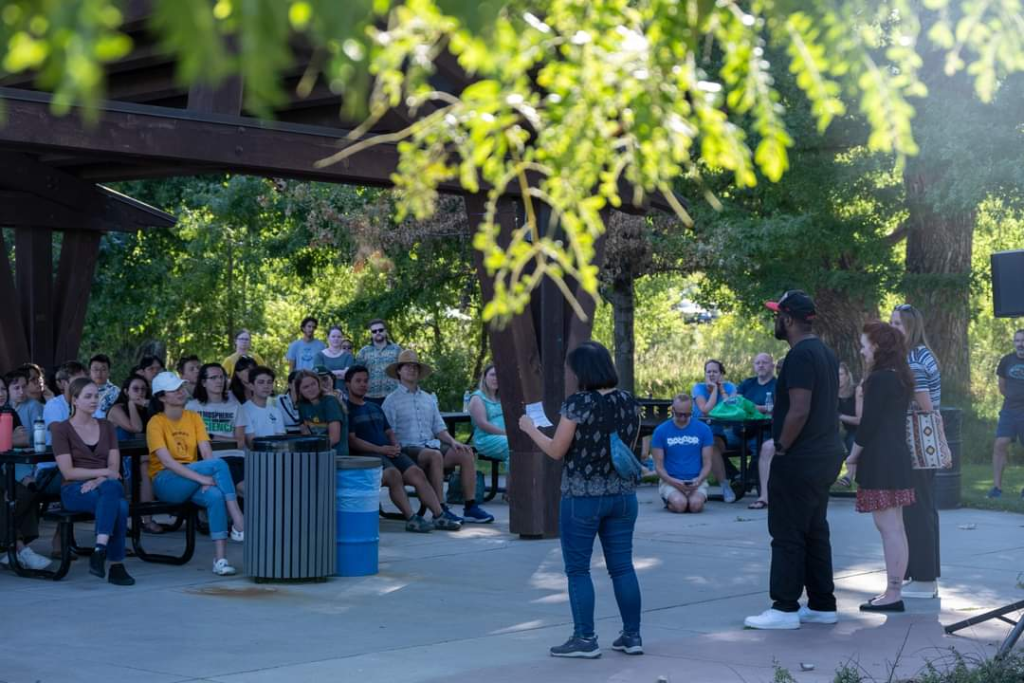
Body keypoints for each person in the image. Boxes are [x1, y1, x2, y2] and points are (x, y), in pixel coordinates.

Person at [518, 341, 643, 658]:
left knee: (578, 570)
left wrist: (530, 429)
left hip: (582, 498)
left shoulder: (577, 404)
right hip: (623, 497)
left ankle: (585, 639)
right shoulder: (629, 402)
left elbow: (557, 451)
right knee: (622, 568)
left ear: (582, 371)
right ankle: (632, 636)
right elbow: (628, 447)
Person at [745, 290, 845, 630]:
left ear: (787, 319)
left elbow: (799, 408)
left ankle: (784, 607)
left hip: (802, 455)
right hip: (826, 452)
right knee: (815, 529)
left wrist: (782, 445)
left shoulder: (799, 356)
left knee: (787, 530)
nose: (775, 320)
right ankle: (821, 604)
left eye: (777, 314)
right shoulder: (825, 353)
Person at [845, 322, 916, 612]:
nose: (862, 350)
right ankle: (894, 590)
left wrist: (851, 457)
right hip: (897, 456)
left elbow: (868, 425)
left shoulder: (879, 379)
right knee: (895, 527)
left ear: (876, 346)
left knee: (888, 527)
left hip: (880, 459)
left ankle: (892, 593)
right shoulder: (899, 376)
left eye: (864, 344)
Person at [146, 371, 244, 576]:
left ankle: (220, 559)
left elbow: (206, 451)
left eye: (181, 388)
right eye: (175, 390)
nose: (181, 392)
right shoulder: (156, 422)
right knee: (218, 465)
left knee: (215, 495)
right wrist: (202, 478)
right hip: (166, 480)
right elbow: (167, 462)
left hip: (191, 475)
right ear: (162, 397)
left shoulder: (193, 417)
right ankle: (238, 519)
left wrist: (209, 481)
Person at [382, 350, 494, 524]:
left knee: (466, 452)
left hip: (431, 445)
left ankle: (470, 506)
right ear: (399, 371)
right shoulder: (391, 400)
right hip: (407, 449)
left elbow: (439, 428)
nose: (412, 370)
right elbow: (388, 432)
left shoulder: (428, 399)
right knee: (434, 455)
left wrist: (453, 442)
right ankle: (440, 509)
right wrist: (395, 450)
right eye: (407, 367)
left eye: (415, 367)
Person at [345, 365, 461, 533]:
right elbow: (353, 441)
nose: (363, 384)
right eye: (358, 381)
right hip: (368, 455)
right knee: (393, 475)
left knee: (416, 473)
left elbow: (389, 431)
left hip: (389, 451)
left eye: (365, 381)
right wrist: (382, 449)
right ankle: (411, 518)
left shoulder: (374, 407)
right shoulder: (346, 409)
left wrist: (394, 444)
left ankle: (439, 515)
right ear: (348, 384)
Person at [51, 378, 135, 585]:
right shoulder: (61, 430)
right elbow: (68, 472)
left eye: (96, 396)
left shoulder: (107, 426)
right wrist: (102, 474)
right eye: (87, 396)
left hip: (104, 485)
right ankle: (115, 565)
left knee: (118, 500)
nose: (94, 400)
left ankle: (100, 550)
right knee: (117, 499)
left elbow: (115, 468)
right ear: (75, 401)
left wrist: (100, 479)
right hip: (74, 489)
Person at [890, 304, 944, 599]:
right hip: (916, 444)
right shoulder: (913, 355)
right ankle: (917, 575)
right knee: (915, 508)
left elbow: (926, 406)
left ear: (911, 326)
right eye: (891, 322)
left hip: (920, 443)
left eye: (898, 323)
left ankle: (925, 579)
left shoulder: (915, 361)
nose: (893, 327)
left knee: (920, 509)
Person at [0, 377, 50, 570]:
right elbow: (14, 441)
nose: (1, 393)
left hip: (9, 468)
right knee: (7, 496)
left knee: (28, 491)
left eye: (3, 388)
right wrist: (9, 440)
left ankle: (11, 547)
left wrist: (7, 441)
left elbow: (23, 440)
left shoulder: (9, 411)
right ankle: (21, 549)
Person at [106, 373, 163, 534]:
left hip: (140, 456)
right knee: (144, 467)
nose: (140, 393)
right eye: (135, 389)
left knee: (147, 466)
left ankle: (146, 518)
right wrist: (132, 405)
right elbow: (136, 428)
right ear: (126, 391)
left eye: (144, 390)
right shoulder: (117, 409)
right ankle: (132, 519)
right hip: (116, 457)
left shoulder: (148, 410)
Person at [186, 363, 248, 496]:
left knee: (248, 488)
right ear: (203, 382)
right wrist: (226, 440)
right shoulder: (192, 408)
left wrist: (212, 437)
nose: (219, 381)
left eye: (222, 377)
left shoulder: (235, 407)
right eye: (213, 378)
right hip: (208, 460)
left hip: (236, 458)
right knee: (244, 489)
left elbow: (241, 443)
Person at [652, 394, 713, 514]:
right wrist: (673, 481)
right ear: (672, 410)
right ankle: (671, 499)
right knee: (680, 505)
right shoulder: (660, 431)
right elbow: (659, 466)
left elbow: (707, 463)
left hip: (696, 479)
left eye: (687, 414)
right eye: (679, 414)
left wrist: (699, 480)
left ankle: (694, 499)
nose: (683, 418)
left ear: (692, 410)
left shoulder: (704, 429)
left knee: (695, 506)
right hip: (671, 480)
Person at [734, 353, 777, 511]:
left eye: (764, 362)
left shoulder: (776, 385)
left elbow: (774, 410)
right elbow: (736, 402)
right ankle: (735, 478)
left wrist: (750, 406)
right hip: (740, 428)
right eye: (757, 362)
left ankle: (752, 483)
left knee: (759, 448)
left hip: (764, 430)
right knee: (714, 443)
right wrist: (759, 408)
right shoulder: (747, 383)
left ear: (772, 366)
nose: (760, 365)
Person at [692, 359, 738, 503]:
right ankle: (727, 482)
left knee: (712, 446)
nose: (711, 374)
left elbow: (732, 408)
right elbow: (705, 411)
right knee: (709, 446)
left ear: (721, 373)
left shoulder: (730, 387)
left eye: (715, 371)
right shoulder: (698, 388)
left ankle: (726, 485)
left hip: (717, 433)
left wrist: (722, 390)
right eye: (708, 371)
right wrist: (714, 391)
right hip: (696, 434)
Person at [989, 329, 1024, 499]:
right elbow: (1002, 387)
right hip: (1009, 410)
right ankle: (997, 488)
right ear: (1014, 342)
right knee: (1000, 444)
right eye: (1017, 340)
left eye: (1023, 340)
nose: (1021, 344)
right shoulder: (1006, 361)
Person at [296, 370, 348, 455]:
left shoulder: (330, 402)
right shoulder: (302, 405)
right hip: (317, 455)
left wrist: (312, 450)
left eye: (313, 384)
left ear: (318, 384)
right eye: (306, 387)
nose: (311, 389)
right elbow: (305, 432)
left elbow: (334, 438)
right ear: (299, 390)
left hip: (337, 457)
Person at [467, 364, 510, 463]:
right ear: (484, 377)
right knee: (514, 446)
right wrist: (507, 434)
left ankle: (527, 477)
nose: (496, 378)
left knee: (528, 445)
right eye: (493, 375)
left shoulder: (502, 397)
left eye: (499, 375)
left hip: (505, 437)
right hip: (486, 439)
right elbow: (483, 424)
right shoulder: (477, 397)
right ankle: (518, 477)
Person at [356, 319, 402, 405]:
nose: (377, 332)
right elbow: (357, 374)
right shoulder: (363, 351)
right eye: (374, 331)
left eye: (380, 330)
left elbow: (403, 372)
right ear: (371, 334)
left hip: (393, 395)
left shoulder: (397, 350)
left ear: (385, 331)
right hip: (370, 397)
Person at [835, 362, 863, 489]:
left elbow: (859, 420)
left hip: (859, 429)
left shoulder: (856, 391)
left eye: (840, 374)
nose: (837, 377)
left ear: (847, 376)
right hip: (839, 430)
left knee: (852, 439)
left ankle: (849, 476)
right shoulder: (831, 392)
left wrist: (838, 416)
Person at [242, 366, 287, 445]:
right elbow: (252, 443)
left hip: (275, 455)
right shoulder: (243, 410)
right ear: (251, 386)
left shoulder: (276, 411)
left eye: (269, 382)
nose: (266, 386)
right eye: (261, 382)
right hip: (254, 456)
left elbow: (281, 441)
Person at [316, 326, 356, 391]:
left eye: (339, 337)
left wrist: (328, 373)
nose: (336, 339)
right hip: (324, 393)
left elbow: (347, 375)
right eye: (333, 336)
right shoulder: (319, 356)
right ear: (328, 338)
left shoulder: (348, 356)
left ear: (342, 338)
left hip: (344, 394)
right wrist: (340, 372)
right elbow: (318, 376)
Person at [5, 368, 44, 433]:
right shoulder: (5, 406)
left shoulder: (34, 406)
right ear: (7, 390)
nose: (21, 392)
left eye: (24, 387)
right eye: (16, 388)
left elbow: (39, 435)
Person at [88, 354, 119, 419]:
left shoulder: (116, 392)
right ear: (89, 372)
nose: (99, 373)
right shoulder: (82, 389)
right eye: (95, 369)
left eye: (103, 369)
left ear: (109, 372)